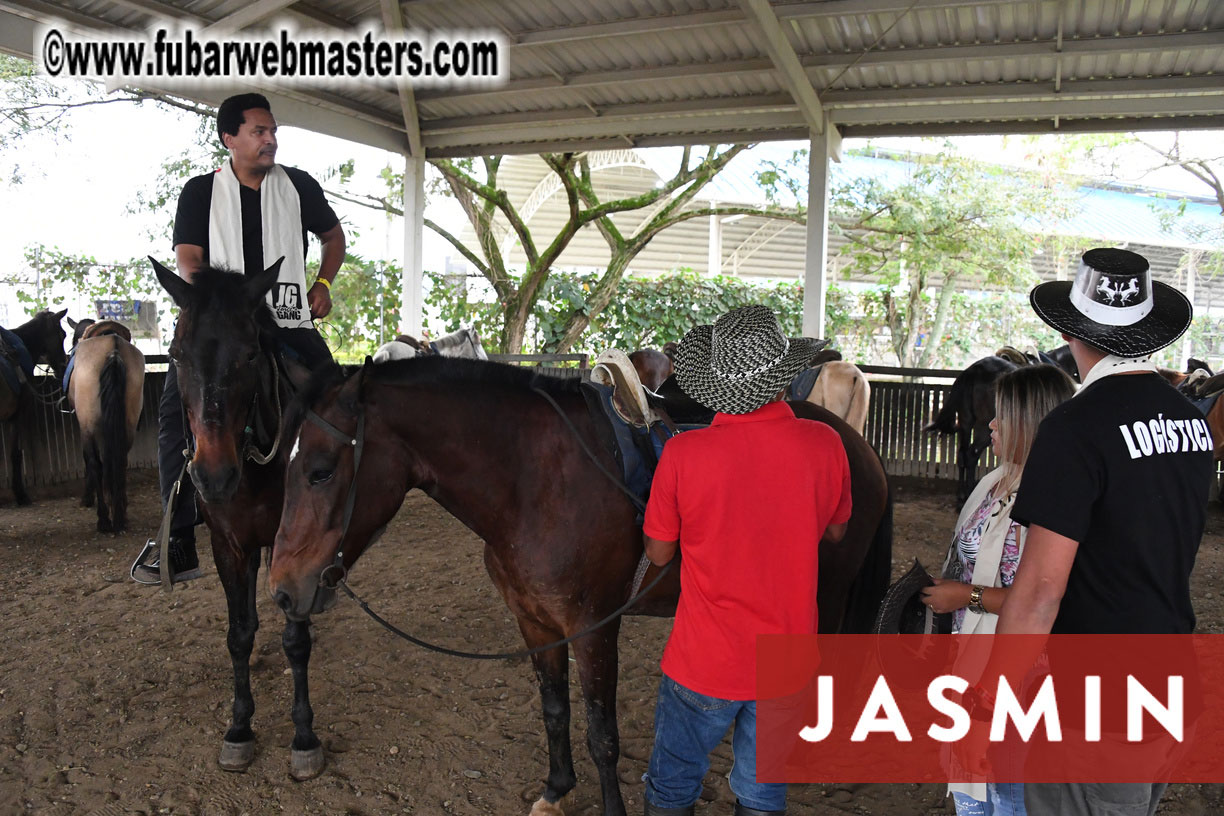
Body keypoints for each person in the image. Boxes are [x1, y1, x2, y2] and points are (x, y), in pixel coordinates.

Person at [957, 247, 1213, 815]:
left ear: (1073, 333)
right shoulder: (1191, 422)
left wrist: (997, 693)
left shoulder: (1074, 426)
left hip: (1094, 703)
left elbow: (1042, 588)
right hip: (1170, 678)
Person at [640, 305, 853, 816]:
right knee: (762, 795)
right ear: (784, 378)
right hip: (787, 660)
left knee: (671, 790)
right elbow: (838, 529)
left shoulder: (684, 455)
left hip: (705, 660)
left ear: (717, 385)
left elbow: (659, 552)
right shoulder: (825, 443)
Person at [132, 93, 345, 585]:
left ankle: (337, 523)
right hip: (226, 327)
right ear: (229, 138)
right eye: (258, 132)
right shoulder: (200, 192)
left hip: (288, 318)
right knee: (171, 417)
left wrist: (324, 284)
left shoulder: (300, 187)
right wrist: (222, 305)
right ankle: (178, 538)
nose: (270, 139)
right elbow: (189, 260)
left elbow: (334, 238)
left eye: (272, 131)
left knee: (339, 401)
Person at [921, 364, 1076, 816]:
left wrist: (963, 596)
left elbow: (1044, 597)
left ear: (1031, 424)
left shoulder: (1052, 498)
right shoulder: (997, 481)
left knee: (1005, 788)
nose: (990, 423)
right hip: (974, 651)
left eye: (1002, 416)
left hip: (1022, 668)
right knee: (975, 785)